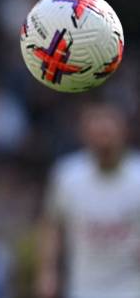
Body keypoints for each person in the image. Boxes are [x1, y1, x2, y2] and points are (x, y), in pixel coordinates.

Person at [36, 101, 140, 298]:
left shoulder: (138, 176)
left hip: (131, 287)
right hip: (83, 288)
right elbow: (53, 225)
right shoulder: (67, 175)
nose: (103, 142)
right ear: (84, 135)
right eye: (97, 135)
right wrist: (47, 273)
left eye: (108, 133)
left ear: (124, 133)